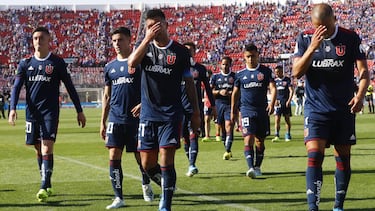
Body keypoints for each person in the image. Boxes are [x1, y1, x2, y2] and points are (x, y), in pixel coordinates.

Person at [292, 3, 370, 211]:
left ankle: (338, 206)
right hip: (316, 109)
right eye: (318, 27)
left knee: (343, 158)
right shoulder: (304, 39)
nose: (322, 31)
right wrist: (312, 48)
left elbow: (364, 72)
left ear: (334, 20)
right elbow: (296, 72)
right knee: (314, 154)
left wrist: (360, 96)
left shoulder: (350, 37)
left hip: (344, 109)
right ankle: (313, 207)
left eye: (325, 27)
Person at [127, 9, 200, 211]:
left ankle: (165, 204)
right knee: (146, 163)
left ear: (167, 25)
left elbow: (189, 84)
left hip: (170, 114)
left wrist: (195, 113)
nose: (155, 29)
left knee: (166, 158)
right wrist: (146, 39)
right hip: (148, 115)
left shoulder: (180, 52)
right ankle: (167, 184)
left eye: (158, 24)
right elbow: (131, 63)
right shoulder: (145, 50)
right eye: (150, 26)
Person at [8, 26, 86, 202]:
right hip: (31, 113)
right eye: (35, 38)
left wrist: (79, 110)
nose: (38, 41)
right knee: (38, 149)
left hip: (50, 112)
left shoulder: (57, 63)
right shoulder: (25, 63)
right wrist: (12, 108)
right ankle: (47, 182)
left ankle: (44, 185)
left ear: (49, 40)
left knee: (46, 147)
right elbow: (16, 87)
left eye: (41, 38)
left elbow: (70, 87)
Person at [100, 27, 158, 209]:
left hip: (137, 120)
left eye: (120, 40)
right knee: (113, 155)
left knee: (140, 158)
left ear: (129, 41)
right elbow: (107, 96)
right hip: (115, 120)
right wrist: (103, 121)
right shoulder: (109, 67)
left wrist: (143, 104)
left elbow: (151, 87)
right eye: (114, 41)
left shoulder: (139, 63)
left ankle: (145, 184)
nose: (117, 44)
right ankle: (119, 197)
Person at [231, 43, 276, 178]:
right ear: (244, 57)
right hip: (246, 110)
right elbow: (235, 93)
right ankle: (250, 167)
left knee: (260, 142)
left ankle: (257, 166)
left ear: (258, 55)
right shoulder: (240, 75)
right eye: (248, 56)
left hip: (262, 111)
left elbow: (273, 88)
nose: (251, 59)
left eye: (253, 56)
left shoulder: (265, 71)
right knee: (248, 138)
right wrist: (233, 111)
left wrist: (272, 103)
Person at [180, 42, 216, 177]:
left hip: (195, 108)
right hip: (180, 108)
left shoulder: (200, 69)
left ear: (195, 52)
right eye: (186, 50)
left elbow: (207, 88)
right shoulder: (176, 68)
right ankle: (190, 162)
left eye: (191, 50)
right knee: (185, 138)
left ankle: (192, 164)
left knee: (193, 134)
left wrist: (213, 106)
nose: (188, 52)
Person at [210, 56, 236, 160]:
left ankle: (227, 150)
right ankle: (226, 146)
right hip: (218, 104)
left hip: (230, 104)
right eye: (223, 64)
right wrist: (219, 92)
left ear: (230, 65)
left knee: (229, 124)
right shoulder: (215, 77)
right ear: (221, 64)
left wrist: (230, 93)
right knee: (222, 129)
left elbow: (238, 91)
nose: (225, 66)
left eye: (227, 64)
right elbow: (210, 91)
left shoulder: (235, 76)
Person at [271, 65, 294, 142]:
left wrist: (289, 100)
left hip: (286, 102)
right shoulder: (274, 81)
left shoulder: (287, 80)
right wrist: (274, 100)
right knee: (277, 119)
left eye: (278, 72)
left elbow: (291, 90)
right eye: (276, 72)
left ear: (281, 71)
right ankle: (276, 135)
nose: (276, 73)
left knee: (287, 119)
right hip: (278, 103)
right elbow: (272, 91)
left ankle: (288, 135)